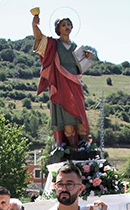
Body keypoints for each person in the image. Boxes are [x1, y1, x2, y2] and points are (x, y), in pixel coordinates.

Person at [32, 13, 95, 149]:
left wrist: (89, 57)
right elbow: (39, 39)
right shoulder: (54, 44)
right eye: (63, 25)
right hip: (61, 85)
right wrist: (34, 25)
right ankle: (71, 150)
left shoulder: (76, 47)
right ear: (58, 29)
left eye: (68, 24)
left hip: (75, 84)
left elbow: (82, 67)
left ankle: (84, 149)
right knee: (67, 118)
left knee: (80, 117)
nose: (67, 27)